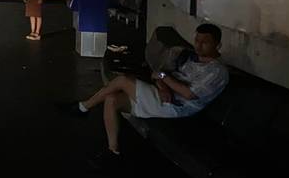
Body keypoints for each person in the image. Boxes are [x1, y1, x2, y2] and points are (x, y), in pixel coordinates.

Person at [66, 23, 229, 161]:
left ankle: (83, 107)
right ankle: (112, 151)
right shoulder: (190, 58)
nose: (198, 45)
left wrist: (163, 78)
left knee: (123, 80)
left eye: (205, 42)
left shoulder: (217, 71)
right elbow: (157, 74)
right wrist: (163, 84)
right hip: (163, 96)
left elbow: (188, 94)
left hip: (177, 105)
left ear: (218, 45)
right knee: (112, 99)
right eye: (197, 40)